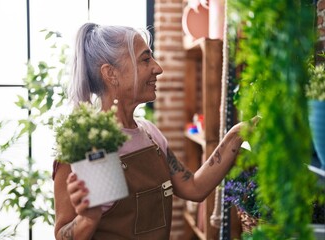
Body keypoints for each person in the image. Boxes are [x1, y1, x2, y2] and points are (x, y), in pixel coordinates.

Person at [53, 22, 258, 240]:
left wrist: (238, 134)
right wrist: (88, 219)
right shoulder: (85, 147)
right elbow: (63, 234)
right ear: (110, 73)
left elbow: (194, 187)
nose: (158, 68)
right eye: (145, 59)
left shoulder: (149, 135)